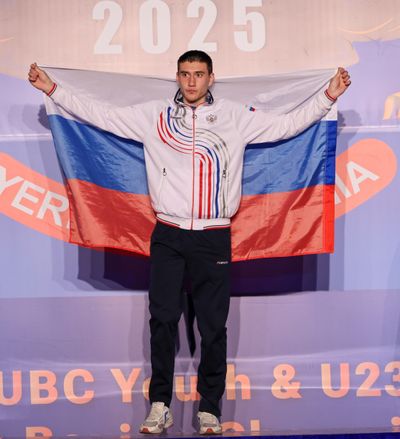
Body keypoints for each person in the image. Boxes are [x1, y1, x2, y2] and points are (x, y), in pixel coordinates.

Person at [28, 51, 350, 435]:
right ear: (177, 77)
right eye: (185, 74)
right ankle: (160, 406)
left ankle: (209, 409)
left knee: (212, 329)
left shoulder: (234, 116)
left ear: (211, 77)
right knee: (162, 321)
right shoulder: (155, 116)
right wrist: (53, 89)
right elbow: (101, 114)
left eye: (198, 74)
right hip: (168, 234)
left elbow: (285, 125)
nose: (191, 81)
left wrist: (328, 96)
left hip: (214, 236)